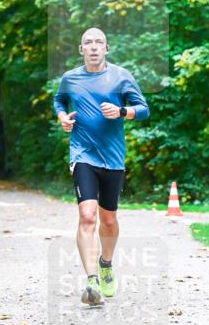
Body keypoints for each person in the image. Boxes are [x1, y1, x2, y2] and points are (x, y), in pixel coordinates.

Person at [53, 27, 150, 306]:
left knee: (108, 219)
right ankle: (91, 281)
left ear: (107, 48)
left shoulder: (121, 77)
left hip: (113, 158)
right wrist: (63, 116)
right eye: (88, 42)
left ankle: (105, 263)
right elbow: (59, 100)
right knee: (87, 216)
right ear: (81, 49)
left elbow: (143, 109)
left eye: (99, 42)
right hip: (82, 154)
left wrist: (121, 111)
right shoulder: (70, 78)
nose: (94, 47)